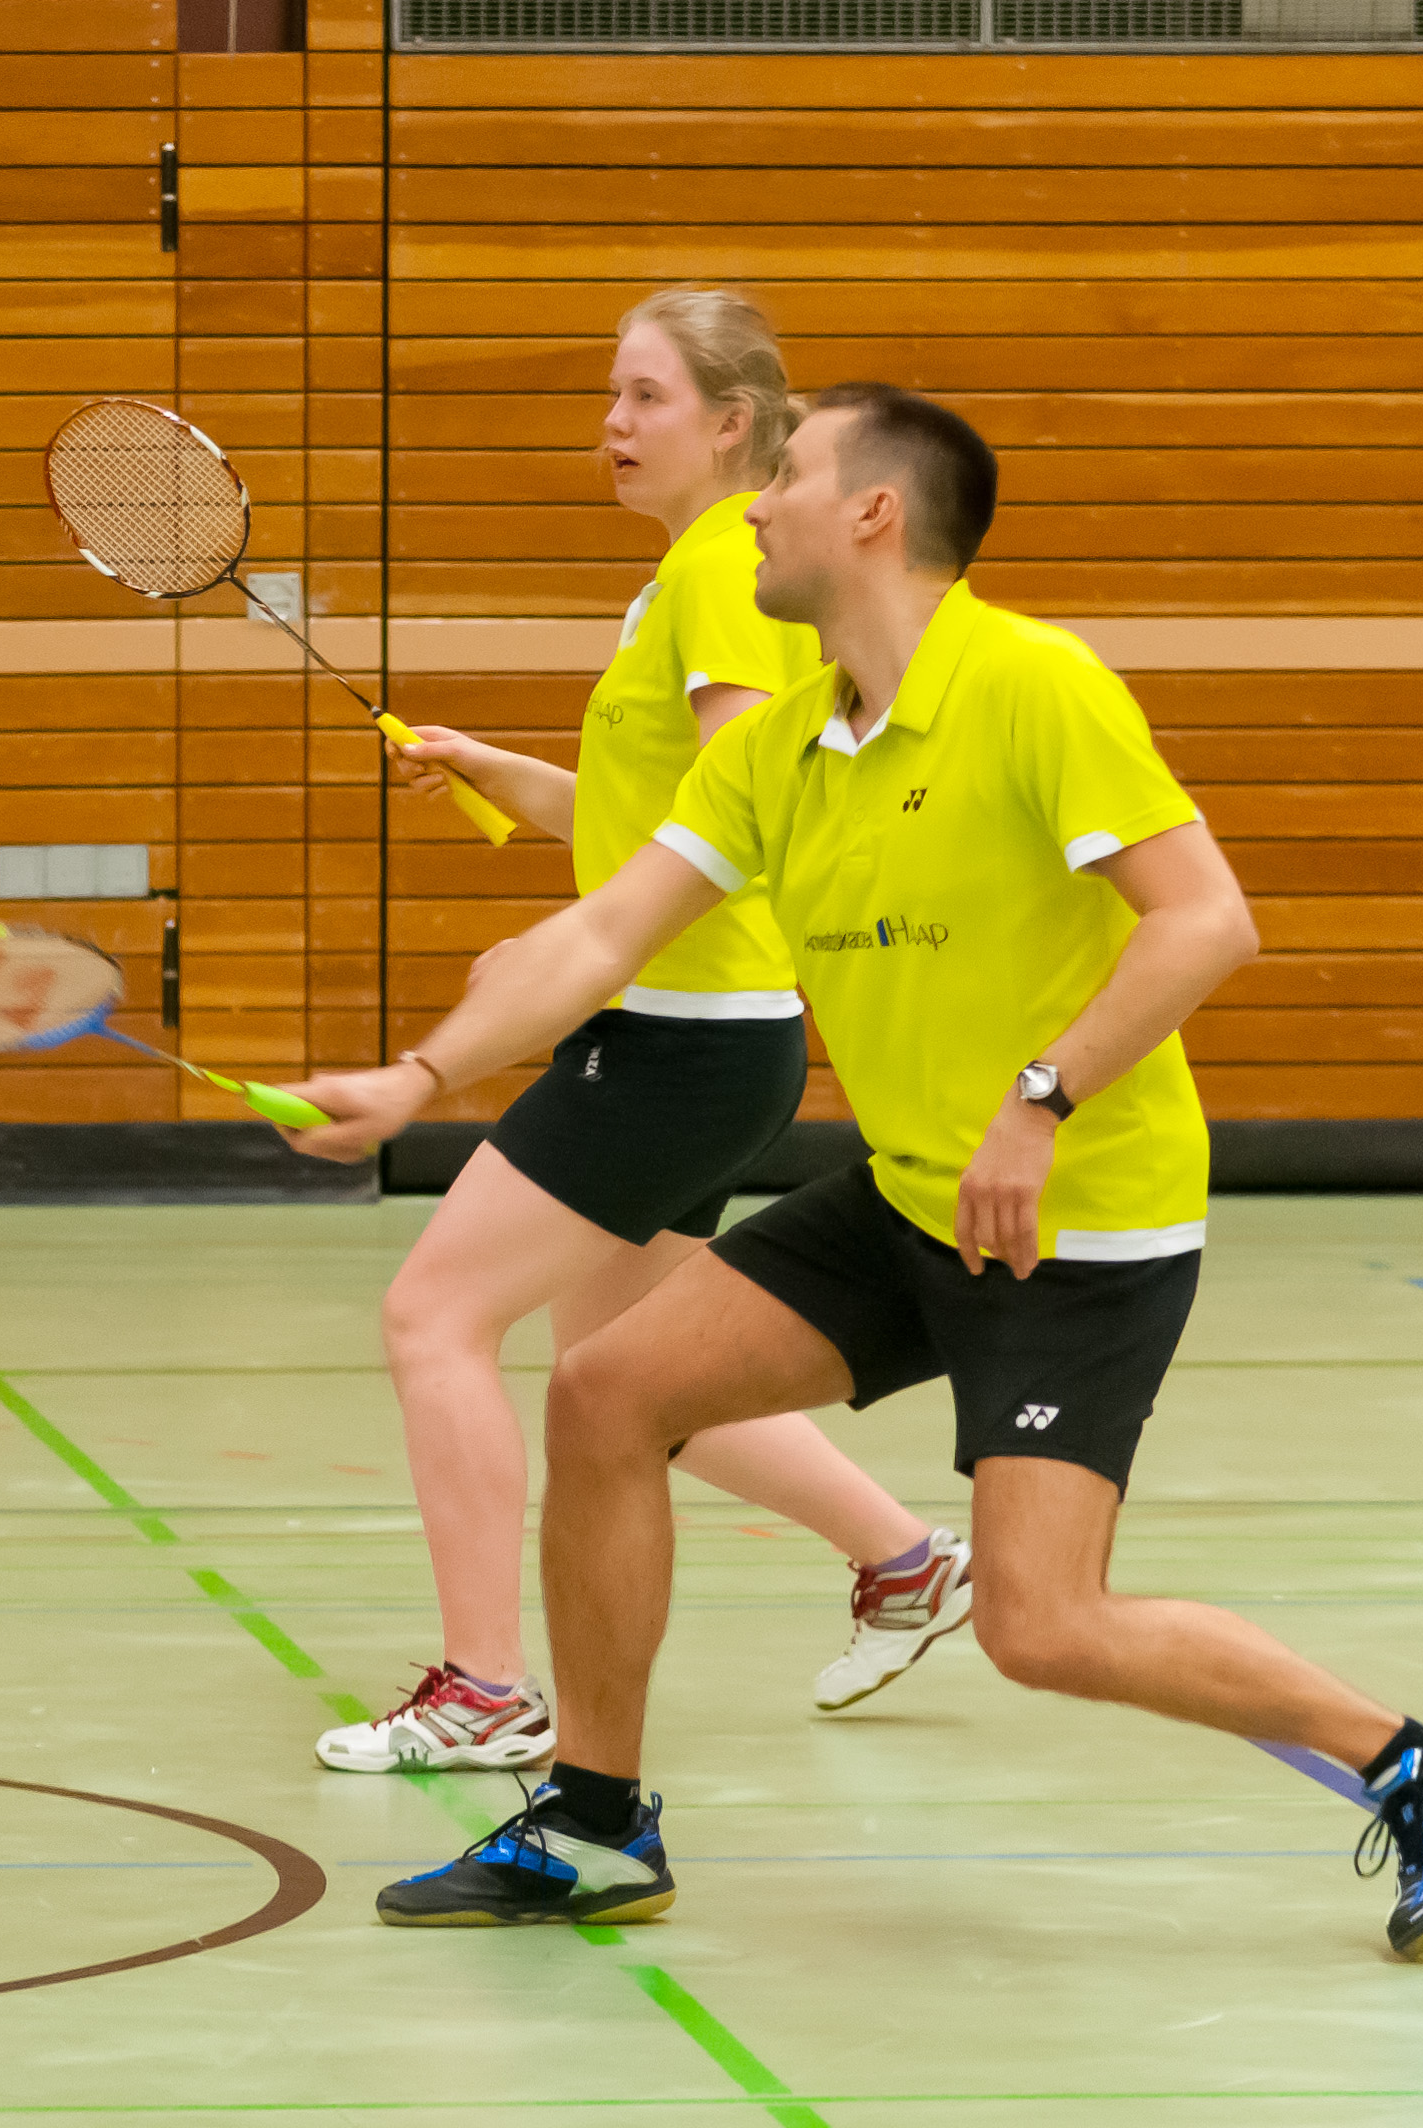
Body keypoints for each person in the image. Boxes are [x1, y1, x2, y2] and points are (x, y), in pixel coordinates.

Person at [284, 383, 1423, 1960]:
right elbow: (598, 932)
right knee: (605, 1393)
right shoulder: (783, 747)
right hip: (911, 1193)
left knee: (1041, 1625)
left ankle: (1422, 1763)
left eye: (791, 475)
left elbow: (1207, 919)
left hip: (1079, 1223)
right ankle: (592, 1822)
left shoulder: (1031, 685)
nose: (757, 505)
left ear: (875, 511)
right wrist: (416, 1078)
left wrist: (1041, 1099)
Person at [314, 290, 969, 1780]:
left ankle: (486, 1688)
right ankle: (907, 1560)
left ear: (733, 424)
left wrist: (565, 960)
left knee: (433, 1317)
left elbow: (750, 812)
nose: (611, 424)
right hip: (711, 1034)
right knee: (625, 1369)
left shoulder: (723, 572)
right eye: (610, 396)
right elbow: (668, 817)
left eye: (645, 397)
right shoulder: (684, 578)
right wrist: (497, 771)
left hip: (673, 1038)